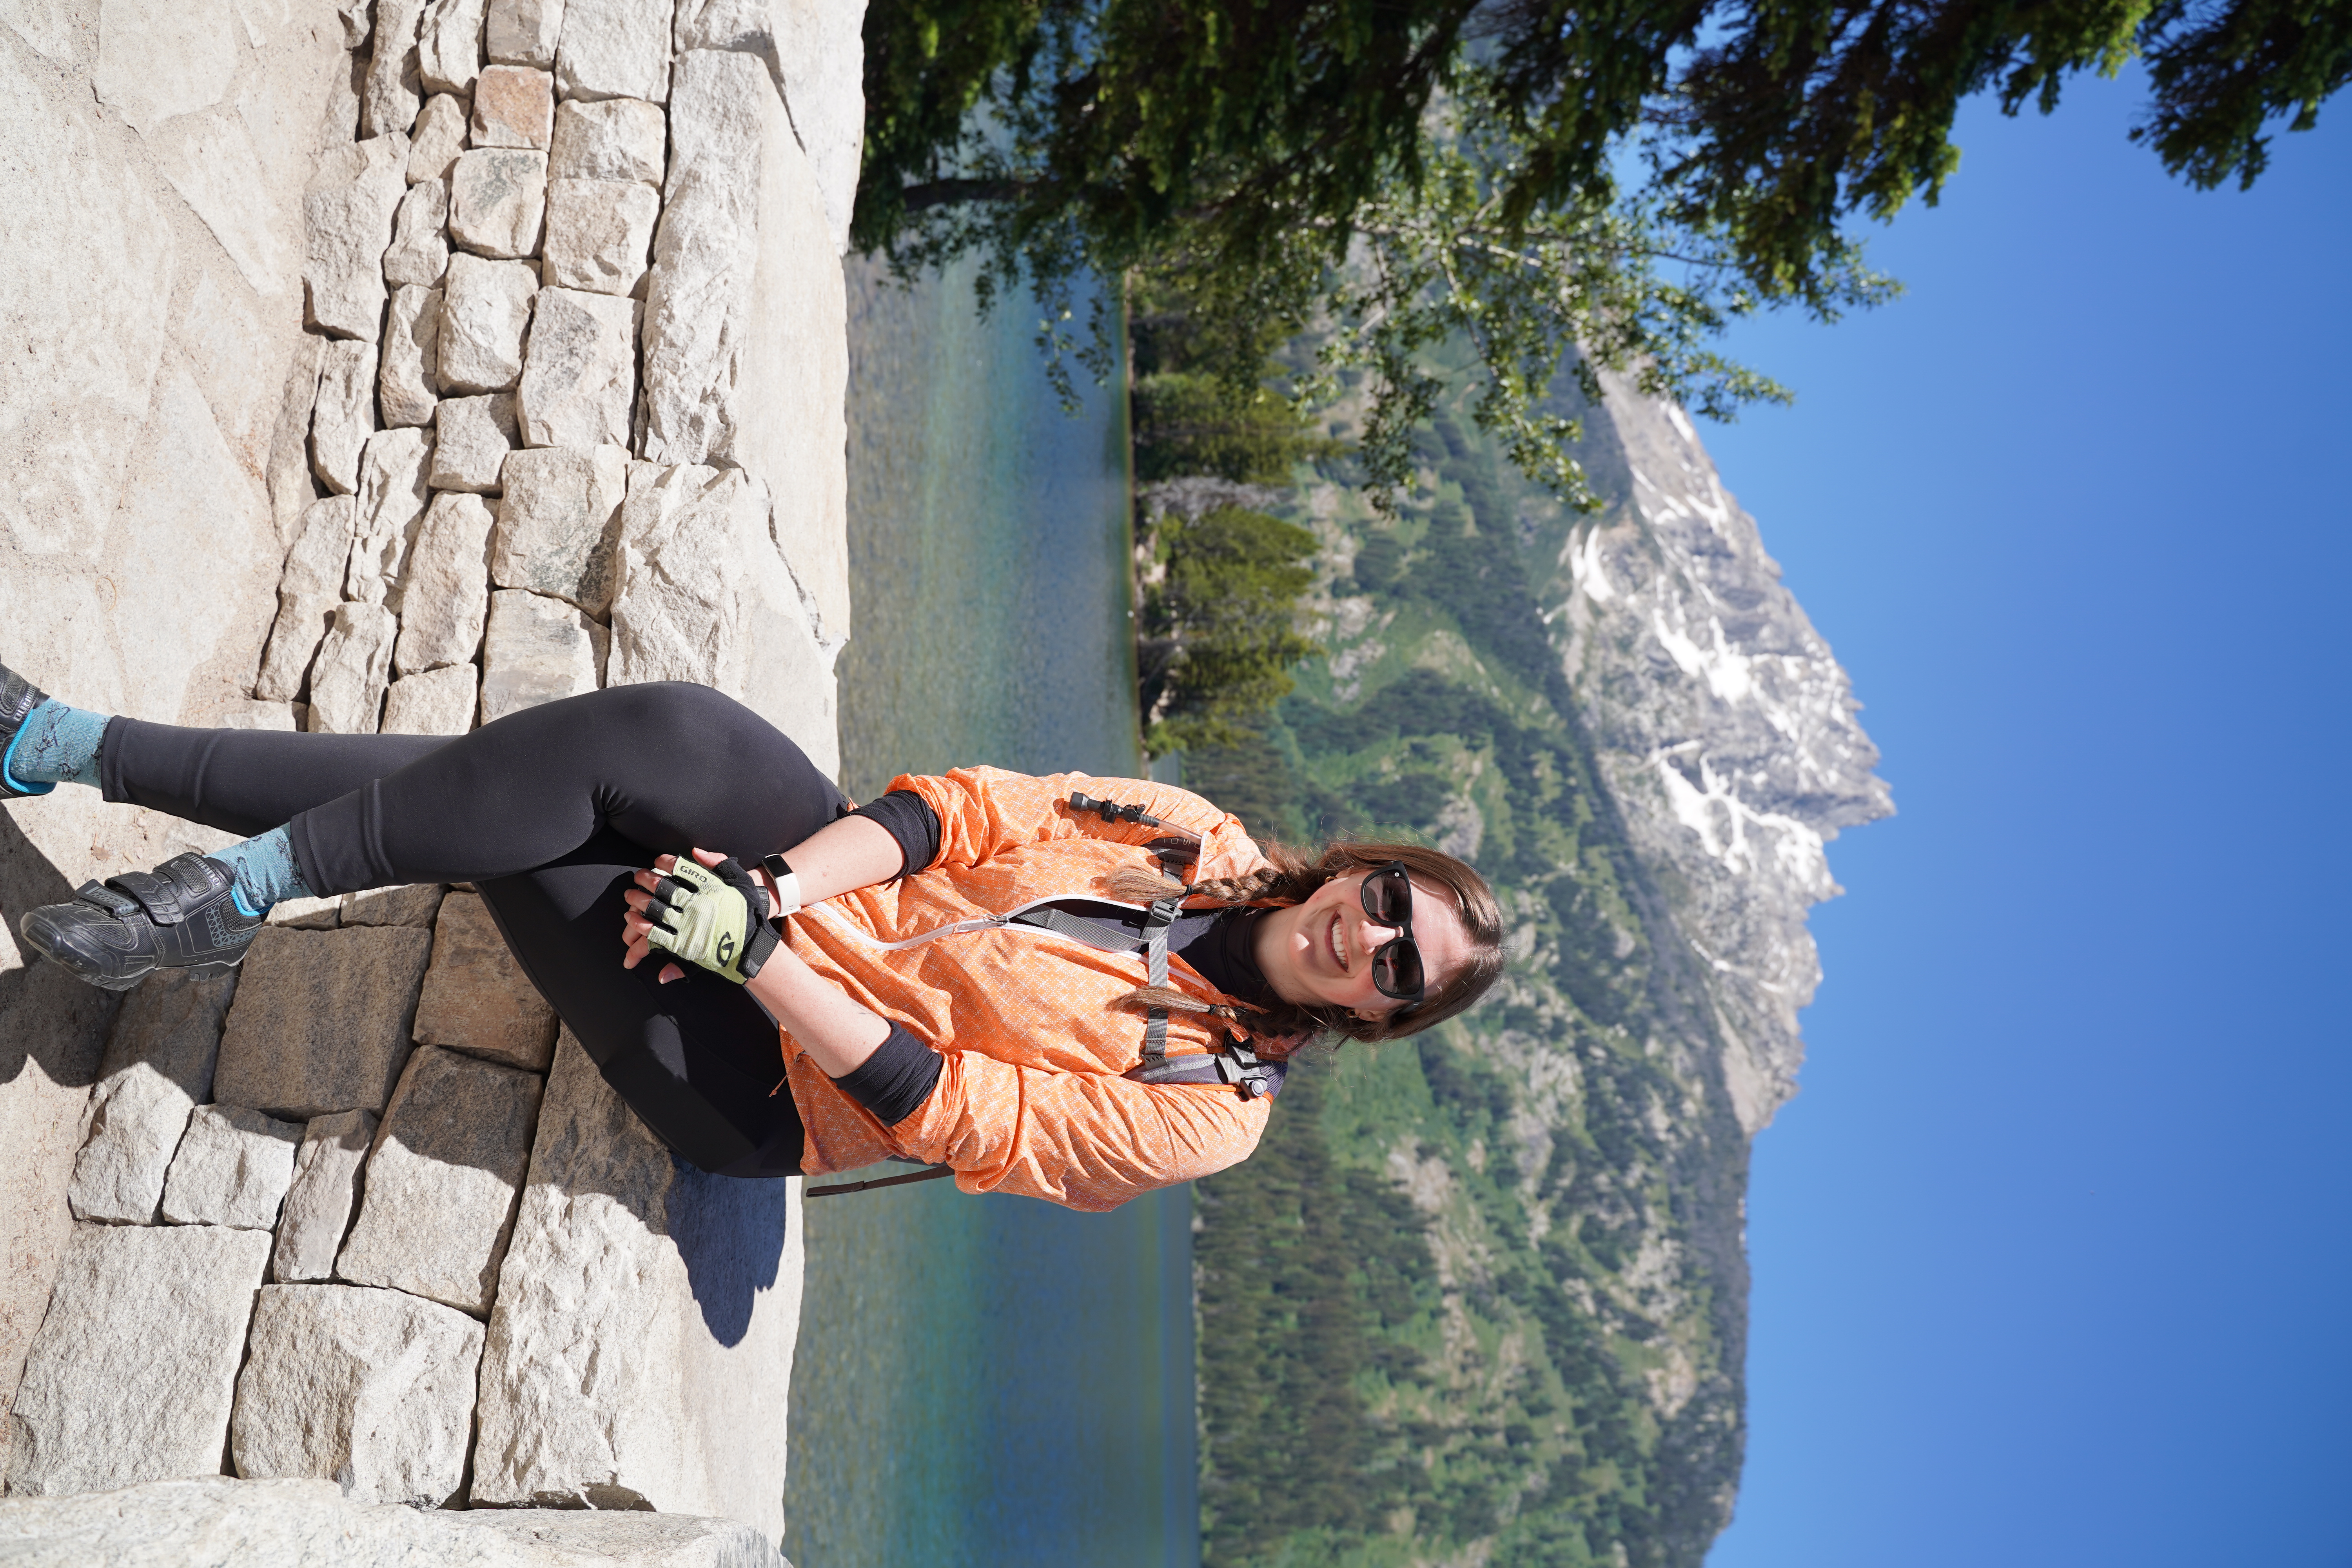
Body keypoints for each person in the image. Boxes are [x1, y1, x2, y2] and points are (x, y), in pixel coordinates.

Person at [1, 668, 1506, 1210]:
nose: (1368, 940)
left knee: (536, 813)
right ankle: (206, 875)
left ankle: (75, 755)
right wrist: (776, 889)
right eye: (1391, 904)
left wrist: (750, 958)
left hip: (774, 1081)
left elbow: (959, 1114)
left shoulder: (1211, 1115)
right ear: (1367, 869)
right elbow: (959, 813)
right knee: (668, 734)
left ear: (1382, 1020)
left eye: (1401, 971)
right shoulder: (1193, 836)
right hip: (805, 902)